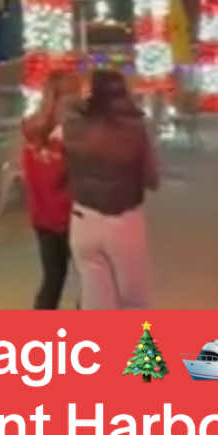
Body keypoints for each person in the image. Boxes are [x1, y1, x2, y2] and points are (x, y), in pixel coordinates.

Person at [62, 69, 159, 310]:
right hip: (122, 220)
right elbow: (151, 178)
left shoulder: (73, 126)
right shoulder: (134, 129)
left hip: (82, 219)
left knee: (96, 304)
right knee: (135, 301)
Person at [21, 69, 80, 309]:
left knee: (52, 280)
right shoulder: (72, 134)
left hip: (42, 216)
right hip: (70, 217)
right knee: (91, 282)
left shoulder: (31, 129)